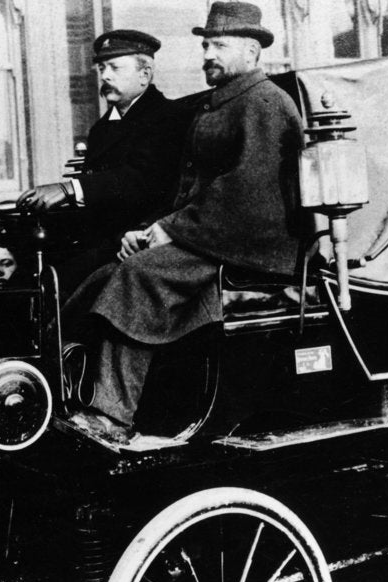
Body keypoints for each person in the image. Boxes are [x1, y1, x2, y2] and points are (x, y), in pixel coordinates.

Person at [65, 1, 305, 441]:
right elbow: (191, 188)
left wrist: (169, 230)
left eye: (219, 45)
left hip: (254, 245)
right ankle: (70, 394)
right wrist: (152, 228)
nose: (207, 54)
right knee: (104, 275)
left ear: (252, 52)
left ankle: (111, 417)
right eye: (206, 45)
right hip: (211, 235)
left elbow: (250, 193)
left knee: (139, 276)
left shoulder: (266, 104)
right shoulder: (223, 104)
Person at [17, 28, 189, 289]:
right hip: (98, 241)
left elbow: (140, 180)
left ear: (144, 74)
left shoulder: (169, 118)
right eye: (101, 69)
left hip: (133, 244)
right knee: (22, 275)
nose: (105, 75)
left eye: (114, 68)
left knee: (49, 285)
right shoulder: (101, 128)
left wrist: (69, 188)